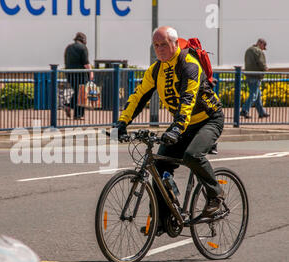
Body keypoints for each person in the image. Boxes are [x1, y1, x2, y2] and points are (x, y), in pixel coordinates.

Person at [113, 26, 225, 236]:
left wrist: (176, 130)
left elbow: (187, 101)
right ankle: (162, 220)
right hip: (183, 124)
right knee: (158, 164)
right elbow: (138, 97)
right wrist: (121, 123)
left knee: (192, 155)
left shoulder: (189, 66)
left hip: (208, 120)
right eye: (156, 45)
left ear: (175, 44)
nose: (160, 49)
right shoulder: (156, 70)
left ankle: (215, 194)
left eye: (164, 44)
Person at [64, 32, 94, 120]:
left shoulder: (69, 48)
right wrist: (91, 73)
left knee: (78, 92)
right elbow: (86, 63)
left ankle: (69, 106)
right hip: (80, 75)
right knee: (81, 93)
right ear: (84, 40)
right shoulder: (83, 48)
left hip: (69, 74)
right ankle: (78, 115)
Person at [241, 38, 270, 119]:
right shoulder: (258, 51)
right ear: (261, 43)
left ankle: (261, 113)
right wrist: (265, 68)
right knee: (254, 95)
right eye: (263, 47)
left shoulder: (248, 50)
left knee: (257, 96)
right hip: (256, 75)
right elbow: (261, 63)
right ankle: (244, 110)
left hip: (249, 75)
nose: (263, 49)